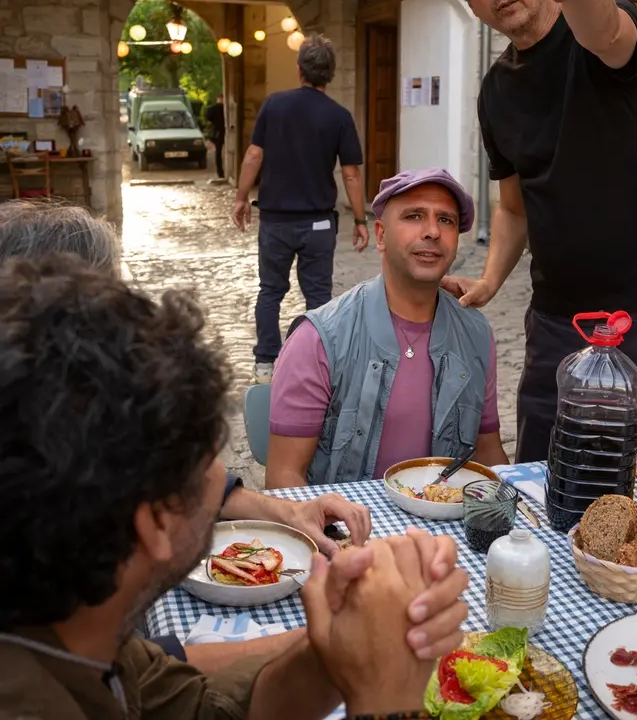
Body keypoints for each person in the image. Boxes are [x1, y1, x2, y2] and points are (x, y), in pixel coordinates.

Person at [0, 256, 470, 718]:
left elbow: (203, 708)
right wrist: (387, 694)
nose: (224, 481)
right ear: (156, 521)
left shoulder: (81, 638)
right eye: (210, 459)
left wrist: (336, 648)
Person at [431, 0, 637, 462]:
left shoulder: (602, 34)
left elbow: (608, 35)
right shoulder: (496, 91)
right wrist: (490, 280)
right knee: (544, 480)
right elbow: (514, 205)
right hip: (559, 324)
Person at [0, 199, 371, 559]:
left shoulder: (93, 398)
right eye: (109, 301)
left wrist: (290, 512)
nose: (125, 320)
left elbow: (182, 480)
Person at [265, 168, 509, 489]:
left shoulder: (475, 333)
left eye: (446, 220)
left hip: (445, 519)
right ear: (380, 235)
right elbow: (284, 478)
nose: (432, 231)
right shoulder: (320, 338)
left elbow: (488, 453)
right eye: (414, 216)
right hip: (344, 519)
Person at [231, 33, 371, 385]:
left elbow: (254, 155)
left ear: (299, 70)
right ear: (331, 74)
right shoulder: (339, 116)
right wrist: (360, 219)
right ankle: (316, 362)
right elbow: (351, 174)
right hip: (318, 224)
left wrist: (240, 197)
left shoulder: (274, 105)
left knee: (270, 291)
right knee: (319, 297)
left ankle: (266, 364)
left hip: (275, 221)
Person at [205, 93, 226, 179]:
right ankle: (224, 171)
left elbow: (208, 122)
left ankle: (220, 172)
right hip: (225, 131)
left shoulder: (211, 109)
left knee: (218, 152)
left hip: (217, 132)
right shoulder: (226, 108)